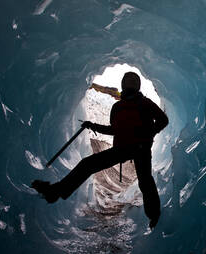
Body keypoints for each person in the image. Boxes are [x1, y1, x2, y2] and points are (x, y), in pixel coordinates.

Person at [32, 72, 169, 228]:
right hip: (134, 149)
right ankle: (154, 217)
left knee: (91, 165)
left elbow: (158, 122)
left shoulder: (129, 105)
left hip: (131, 149)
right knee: (144, 181)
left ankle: (55, 192)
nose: (129, 85)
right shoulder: (133, 105)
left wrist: (147, 134)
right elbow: (120, 129)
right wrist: (94, 126)